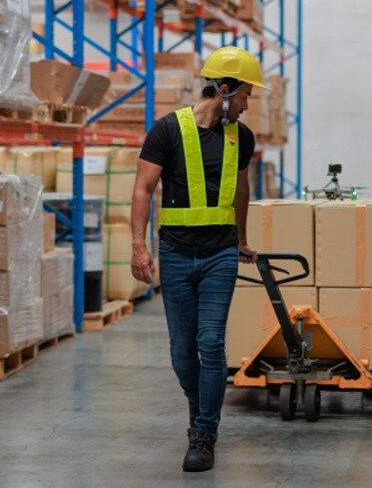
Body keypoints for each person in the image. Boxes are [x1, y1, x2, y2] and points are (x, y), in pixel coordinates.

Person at [130, 46, 266, 472]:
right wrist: (139, 245)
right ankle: (199, 403)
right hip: (174, 253)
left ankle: (204, 433)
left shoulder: (241, 137)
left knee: (210, 341)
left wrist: (242, 239)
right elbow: (142, 190)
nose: (246, 106)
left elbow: (241, 191)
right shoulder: (167, 131)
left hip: (220, 255)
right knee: (181, 350)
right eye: (244, 96)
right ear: (224, 91)